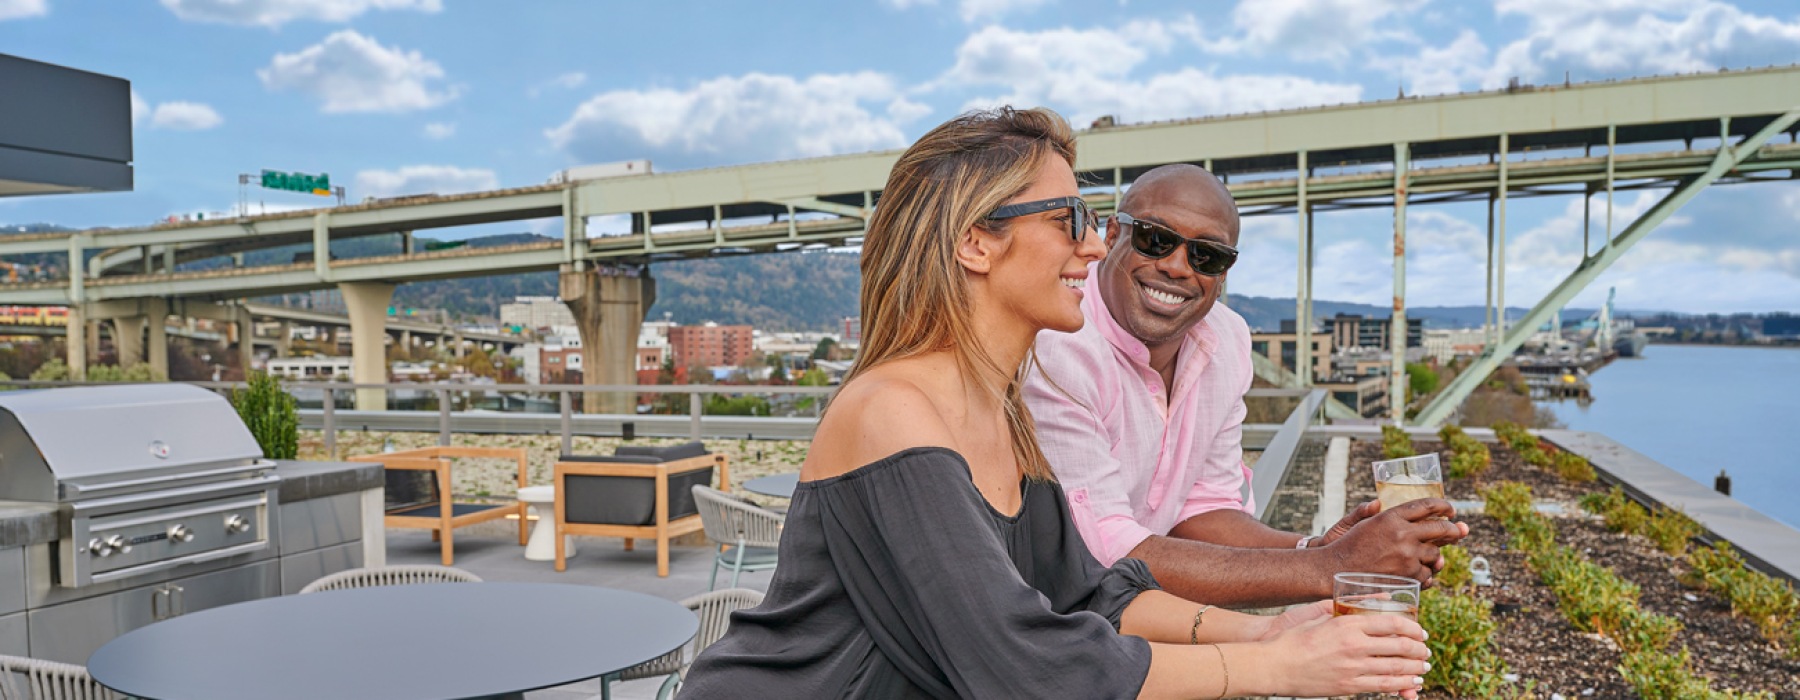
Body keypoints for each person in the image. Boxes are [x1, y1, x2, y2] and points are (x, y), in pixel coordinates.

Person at [680, 108, 1429, 699]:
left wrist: (1270, 636)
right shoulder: (893, 411)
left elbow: (1088, 594)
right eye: (1068, 219)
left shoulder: (1001, 412)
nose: (1096, 247)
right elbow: (1022, 663)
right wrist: (1278, 668)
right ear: (977, 243)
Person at [1023, 163, 1469, 608]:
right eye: (1155, 240)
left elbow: (1203, 509)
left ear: (1224, 274)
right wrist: (1331, 567)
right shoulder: (1058, 344)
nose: (1178, 267)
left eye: (1207, 256)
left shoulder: (1227, 341)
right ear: (1114, 235)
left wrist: (1316, 551)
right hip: (1046, 629)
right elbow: (1102, 550)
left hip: (1134, 618)